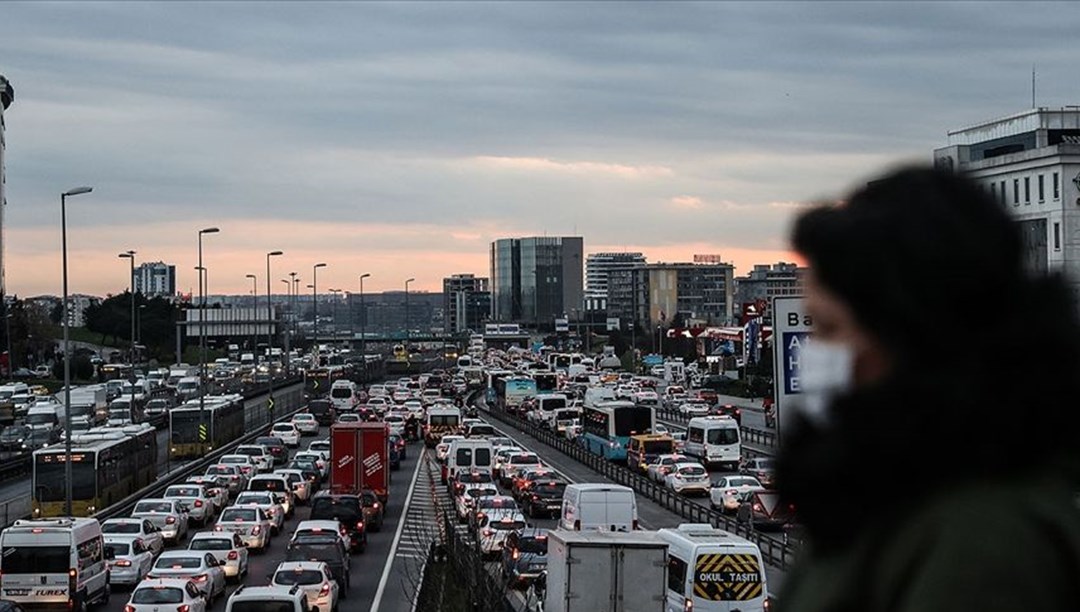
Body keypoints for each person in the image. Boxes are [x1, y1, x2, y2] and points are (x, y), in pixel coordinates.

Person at [776, 167, 1080, 611]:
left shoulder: (982, 542)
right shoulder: (881, 492)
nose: (814, 351)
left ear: (908, 333)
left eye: (827, 328)